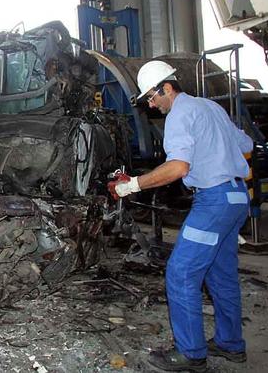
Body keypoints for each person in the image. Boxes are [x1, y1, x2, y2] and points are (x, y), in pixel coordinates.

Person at [111, 60, 253, 372]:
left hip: (213, 202)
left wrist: (132, 185)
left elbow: (178, 167)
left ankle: (190, 353)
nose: (151, 105)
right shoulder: (211, 107)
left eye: (152, 97)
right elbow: (247, 144)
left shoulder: (178, 114)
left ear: (167, 87)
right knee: (221, 274)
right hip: (236, 198)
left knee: (181, 272)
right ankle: (230, 344)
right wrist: (220, 158)